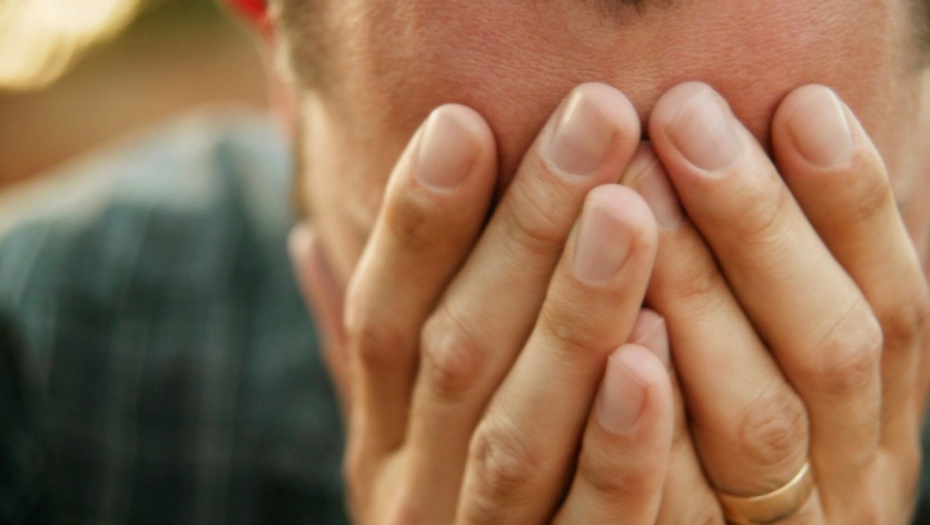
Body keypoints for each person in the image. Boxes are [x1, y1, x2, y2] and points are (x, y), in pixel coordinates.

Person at [3, 0, 930, 524]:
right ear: (276, 51)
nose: (633, 390)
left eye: (775, 257)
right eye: (477, 267)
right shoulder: (39, 371)